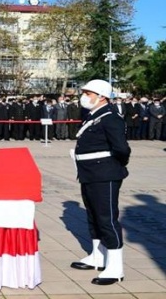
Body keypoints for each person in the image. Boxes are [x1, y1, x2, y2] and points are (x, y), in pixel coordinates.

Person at [70, 79, 130, 286]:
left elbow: (122, 149)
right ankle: (97, 256)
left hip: (104, 174)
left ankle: (115, 267)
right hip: (89, 173)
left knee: (107, 219)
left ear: (101, 96)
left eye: (88, 93)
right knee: (93, 217)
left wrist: (112, 167)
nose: (84, 96)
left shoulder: (110, 117)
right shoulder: (93, 115)